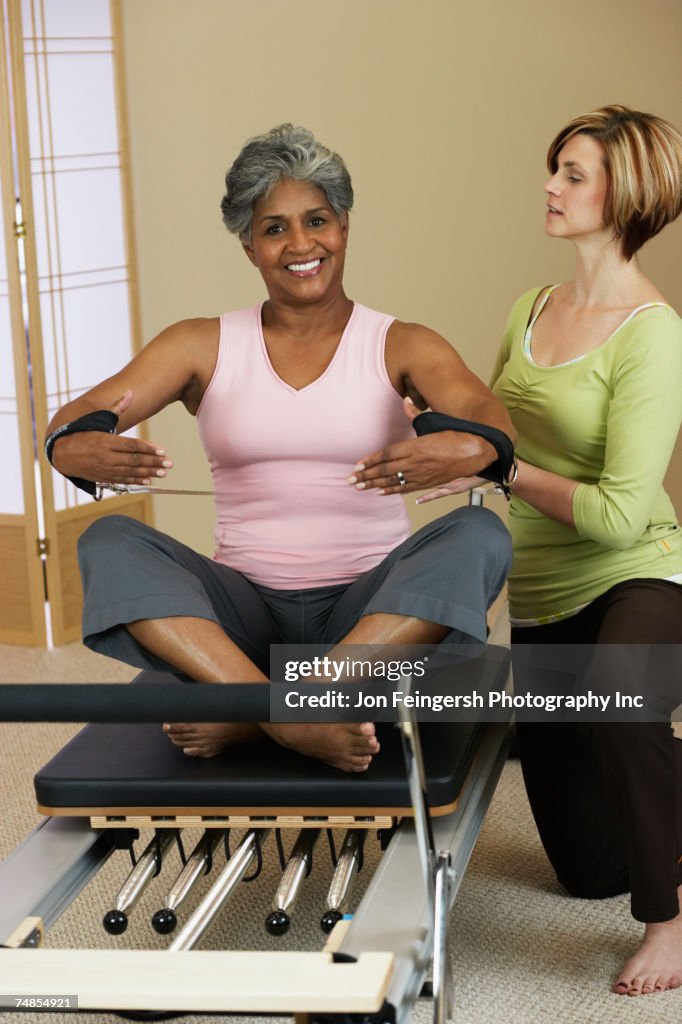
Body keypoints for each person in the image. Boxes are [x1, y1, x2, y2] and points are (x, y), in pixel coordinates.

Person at [44, 123, 513, 775]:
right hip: (242, 615)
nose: (300, 244)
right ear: (249, 246)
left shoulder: (402, 342)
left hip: (370, 617)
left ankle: (264, 710)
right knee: (109, 542)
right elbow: (73, 420)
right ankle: (286, 712)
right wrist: (74, 448)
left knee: (479, 535)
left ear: (343, 226)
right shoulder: (200, 343)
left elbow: (490, 418)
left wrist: (468, 448)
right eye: (274, 228)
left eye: (316, 220)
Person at [356, 105, 682, 996]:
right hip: (542, 589)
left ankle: (671, 924)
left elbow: (618, 515)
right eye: (556, 168)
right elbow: (488, 434)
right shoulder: (531, 309)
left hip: (637, 575)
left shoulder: (654, 333)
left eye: (574, 174)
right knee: (585, 868)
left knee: (625, 695)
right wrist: (429, 445)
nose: (552, 185)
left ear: (629, 194)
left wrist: (500, 465)